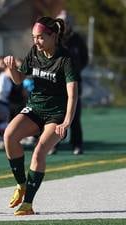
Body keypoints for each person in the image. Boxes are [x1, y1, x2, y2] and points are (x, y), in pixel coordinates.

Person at [2, 16, 79, 215]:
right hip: (35, 108)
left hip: (56, 115)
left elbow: (73, 94)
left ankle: (27, 204)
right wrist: (11, 68)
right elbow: (18, 80)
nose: (36, 41)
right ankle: (22, 185)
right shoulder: (35, 52)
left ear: (53, 36)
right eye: (34, 37)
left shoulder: (65, 59)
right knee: (9, 136)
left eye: (40, 37)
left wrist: (67, 122)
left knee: (39, 152)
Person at [48, 10, 88, 155]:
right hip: (58, 83)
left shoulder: (77, 39)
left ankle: (77, 145)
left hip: (74, 82)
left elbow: (84, 58)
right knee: (57, 116)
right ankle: (53, 144)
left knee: (75, 116)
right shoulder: (53, 39)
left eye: (66, 22)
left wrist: (74, 71)